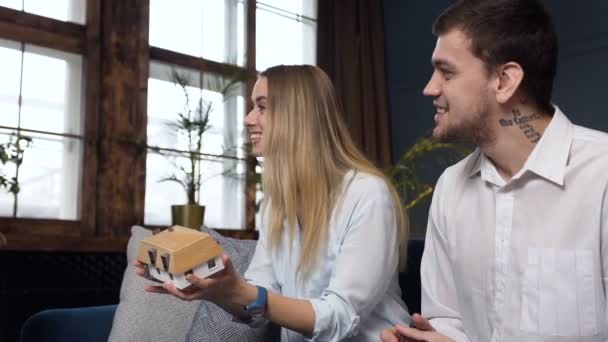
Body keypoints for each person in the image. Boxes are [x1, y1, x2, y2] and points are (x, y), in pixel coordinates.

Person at [381, 0, 608, 341]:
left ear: (504, 80)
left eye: (447, 71)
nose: (430, 88)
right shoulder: (451, 187)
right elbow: (445, 318)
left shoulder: (602, 176)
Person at [136, 64, 411, 341]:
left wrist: (246, 293)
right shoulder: (276, 205)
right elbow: (257, 305)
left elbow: (340, 317)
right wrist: (219, 292)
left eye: (262, 107)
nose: (248, 119)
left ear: (298, 117)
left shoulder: (367, 194)